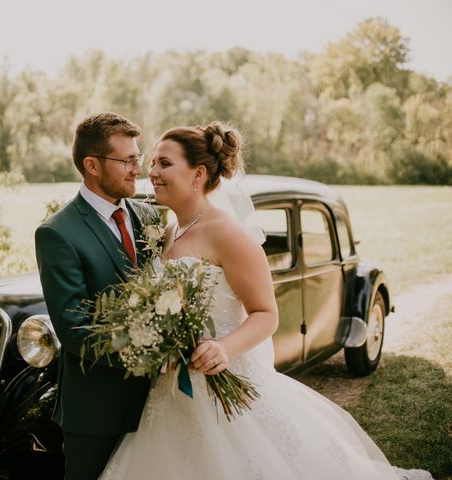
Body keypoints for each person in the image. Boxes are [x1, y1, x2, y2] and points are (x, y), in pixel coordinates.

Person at [99, 121, 433, 480]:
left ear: (198, 173)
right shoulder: (168, 232)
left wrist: (224, 348)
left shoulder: (229, 234)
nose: (152, 173)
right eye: (152, 163)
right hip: (172, 394)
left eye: (164, 163)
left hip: (223, 385)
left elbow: (266, 313)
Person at [35, 112, 159, 480]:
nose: (138, 168)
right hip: (97, 410)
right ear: (92, 165)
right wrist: (151, 354)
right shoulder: (58, 233)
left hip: (159, 405)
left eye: (138, 157)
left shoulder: (150, 218)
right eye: (128, 160)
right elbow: (75, 329)